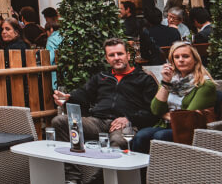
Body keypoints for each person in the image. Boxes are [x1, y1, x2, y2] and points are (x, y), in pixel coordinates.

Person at [51, 38, 158, 181]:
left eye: (120, 54)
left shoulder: (144, 79)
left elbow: (152, 111)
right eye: (112, 55)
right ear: (107, 58)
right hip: (98, 122)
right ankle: (72, 176)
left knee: (118, 141)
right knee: (60, 121)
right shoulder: (101, 77)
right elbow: (83, 94)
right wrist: (67, 97)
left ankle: (96, 181)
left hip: (125, 124)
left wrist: (129, 118)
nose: (116, 58)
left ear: (128, 55)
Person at [132, 41, 217, 153]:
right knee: (141, 136)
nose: (181, 60)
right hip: (167, 125)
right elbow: (156, 109)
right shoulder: (172, 80)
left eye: (185, 56)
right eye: (176, 57)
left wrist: (165, 114)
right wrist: (166, 83)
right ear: (172, 62)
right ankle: (143, 170)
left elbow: (186, 118)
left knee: (160, 136)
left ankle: (164, 170)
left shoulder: (205, 84)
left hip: (190, 130)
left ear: (195, 59)